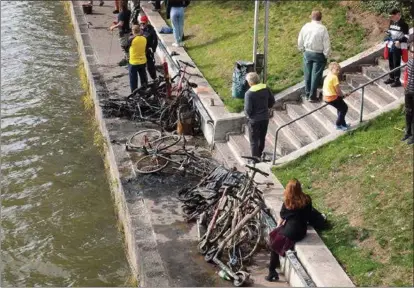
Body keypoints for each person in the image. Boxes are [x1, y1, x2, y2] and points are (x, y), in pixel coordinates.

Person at [266, 179, 312, 282]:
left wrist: (278, 227)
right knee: (274, 237)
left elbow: (282, 218)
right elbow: (308, 215)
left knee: (274, 245)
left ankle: (271, 271)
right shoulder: (307, 199)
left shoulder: (288, 202)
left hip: (290, 232)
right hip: (302, 230)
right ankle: (274, 265)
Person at [298, 10, 331, 102]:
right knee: (315, 75)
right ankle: (312, 96)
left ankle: (307, 94)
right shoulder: (322, 28)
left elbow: (300, 38)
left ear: (311, 17)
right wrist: (326, 54)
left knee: (307, 74)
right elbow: (326, 43)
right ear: (321, 17)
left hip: (307, 52)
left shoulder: (306, 26)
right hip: (318, 54)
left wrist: (301, 48)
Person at [244, 72, 275, 160]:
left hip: (254, 120)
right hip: (265, 118)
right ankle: (260, 154)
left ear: (250, 82)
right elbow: (272, 101)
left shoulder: (249, 94)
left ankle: (255, 159)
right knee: (262, 137)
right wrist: (267, 107)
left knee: (253, 140)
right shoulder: (266, 88)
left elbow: (248, 110)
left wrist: (247, 116)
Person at [384, 8, 409, 88]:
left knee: (396, 63)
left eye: (392, 16)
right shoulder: (391, 22)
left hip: (398, 45)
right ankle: (391, 77)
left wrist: (400, 41)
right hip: (391, 44)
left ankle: (397, 80)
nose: (391, 18)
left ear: (397, 15)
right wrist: (388, 33)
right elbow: (390, 31)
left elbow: (406, 36)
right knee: (390, 61)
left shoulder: (404, 24)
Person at [322, 62, 350, 131]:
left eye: (339, 69)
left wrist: (341, 96)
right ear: (331, 69)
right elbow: (337, 90)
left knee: (340, 109)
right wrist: (344, 95)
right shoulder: (334, 77)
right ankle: (338, 125)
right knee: (344, 108)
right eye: (336, 70)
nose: (338, 71)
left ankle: (343, 124)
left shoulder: (329, 75)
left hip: (326, 97)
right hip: (332, 97)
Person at [109, 2, 131, 66]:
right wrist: (117, 22)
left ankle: (127, 60)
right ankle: (126, 58)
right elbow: (124, 21)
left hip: (123, 32)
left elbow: (121, 24)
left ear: (120, 5)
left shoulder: (121, 14)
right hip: (128, 31)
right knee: (127, 45)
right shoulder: (128, 11)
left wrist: (113, 27)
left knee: (124, 46)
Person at [128, 25, 148, 92]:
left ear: (133, 31)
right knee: (143, 77)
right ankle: (144, 90)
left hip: (133, 62)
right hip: (142, 61)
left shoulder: (131, 39)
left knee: (133, 79)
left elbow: (126, 46)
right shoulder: (144, 39)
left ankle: (134, 93)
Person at [402, 33, 414, 145]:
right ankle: (408, 132)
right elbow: (407, 73)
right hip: (408, 90)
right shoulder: (409, 61)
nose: (411, 53)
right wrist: (405, 84)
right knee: (408, 111)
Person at [139, 15, 158, 80]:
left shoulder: (151, 30)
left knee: (150, 66)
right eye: (141, 23)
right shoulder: (139, 30)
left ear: (147, 22)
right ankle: (144, 81)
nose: (142, 25)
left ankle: (154, 78)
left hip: (148, 50)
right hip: (141, 51)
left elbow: (155, 40)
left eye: (144, 23)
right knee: (142, 68)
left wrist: (153, 49)